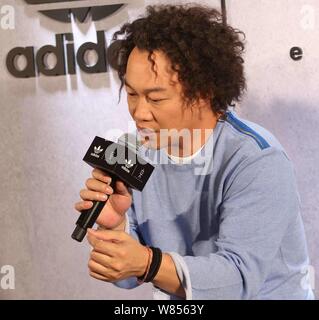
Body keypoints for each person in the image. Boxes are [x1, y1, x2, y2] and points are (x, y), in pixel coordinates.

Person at [74, 4, 314, 300]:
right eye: (132, 94)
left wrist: (147, 263)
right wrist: (117, 226)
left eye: (156, 98)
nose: (139, 113)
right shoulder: (131, 150)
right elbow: (126, 277)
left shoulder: (256, 160)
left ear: (203, 92)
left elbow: (237, 280)